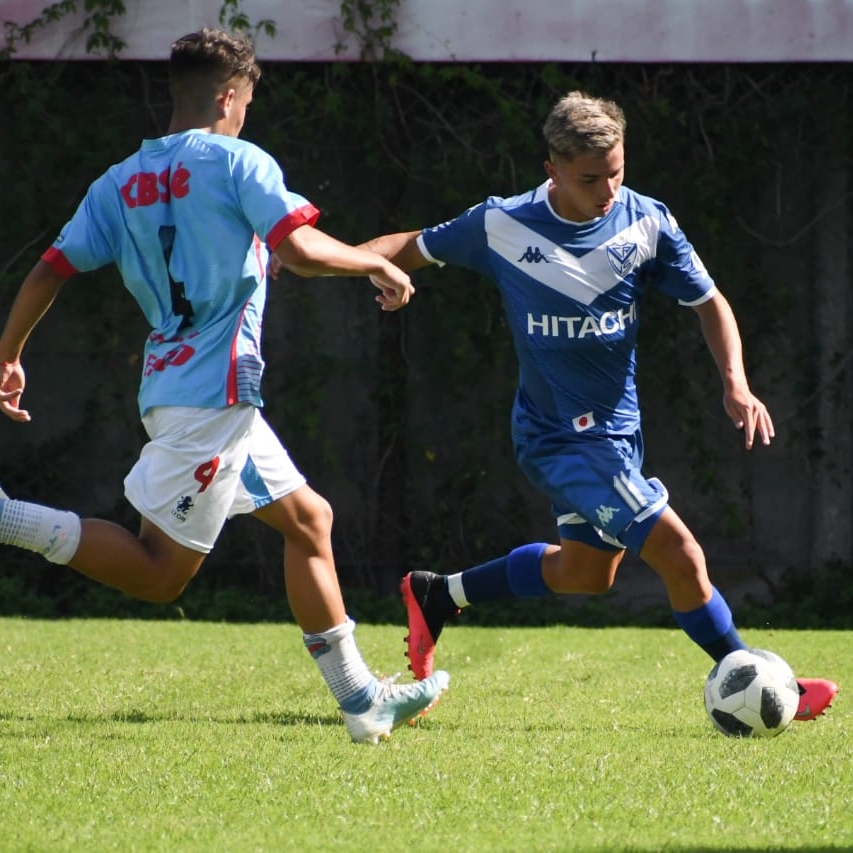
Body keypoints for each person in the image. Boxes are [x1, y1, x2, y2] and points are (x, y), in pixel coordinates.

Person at [0, 27, 449, 745]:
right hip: (213, 396)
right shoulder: (242, 161)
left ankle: (361, 699)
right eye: (246, 103)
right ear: (229, 97)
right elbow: (298, 250)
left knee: (309, 520)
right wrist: (374, 263)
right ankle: (5, 517)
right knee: (160, 574)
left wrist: (9, 353)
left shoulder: (117, 181)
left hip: (179, 388)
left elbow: (50, 267)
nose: (245, 115)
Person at [361, 90, 836, 722]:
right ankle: (767, 685)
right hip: (558, 439)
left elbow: (710, 302)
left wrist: (736, 383)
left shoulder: (646, 222)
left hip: (618, 434)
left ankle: (440, 594)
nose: (608, 190)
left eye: (616, 172)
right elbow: (407, 245)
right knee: (680, 554)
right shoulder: (502, 224)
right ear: (552, 168)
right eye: (590, 179)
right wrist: (311, 258)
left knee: (585, 573)